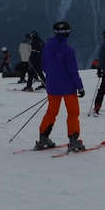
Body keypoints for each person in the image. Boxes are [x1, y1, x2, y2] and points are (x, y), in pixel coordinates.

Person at [36, 21, 86, 152]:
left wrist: (52, 78)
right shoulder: (67, 50)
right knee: (73, 112)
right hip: (68, 88)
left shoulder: (47, 47)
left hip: (52, 86)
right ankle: (74, 140)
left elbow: (44, 66)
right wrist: (80, 87)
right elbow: (72, 71)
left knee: (51, 112)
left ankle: (43, 138)